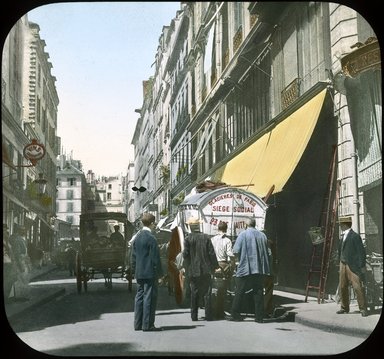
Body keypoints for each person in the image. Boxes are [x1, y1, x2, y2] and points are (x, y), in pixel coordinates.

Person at [227, 218, 270, 323]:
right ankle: (259, 317)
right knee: (258, 291)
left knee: (240, 291)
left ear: (246, 225)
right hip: (259, 268)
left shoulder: (243, 235)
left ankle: (235, 314)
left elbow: (235, 251)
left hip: (245, 267)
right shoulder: (263, 235)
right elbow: (268, 252)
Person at [182, 216, 219, 321]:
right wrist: (215, 266)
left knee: (194, 292)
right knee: (207, 293)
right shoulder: (206, 237)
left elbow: (185, 255)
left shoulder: (188, 238)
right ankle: (208, 315)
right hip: (206, 269)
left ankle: (194, 316)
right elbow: (212, 254)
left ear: (190, 227)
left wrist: (185, 266)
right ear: (198, 226)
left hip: (193, 270)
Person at [132, 213, 163, 331]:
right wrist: (160, 275)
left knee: (139, 297)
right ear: (152, 223)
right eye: (154, 223)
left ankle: (137, 324)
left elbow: (133, 257)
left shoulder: (137, 237)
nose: (155, 225)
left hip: (139, 273)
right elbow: (155, 258)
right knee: (149, 298)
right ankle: (148, 325)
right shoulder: (151, 238)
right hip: (150, 273)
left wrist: (134, 270)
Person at [336, 216, 368, 317]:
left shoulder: (355, 236)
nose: (340, 226)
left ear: (345, 225)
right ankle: (344, 307)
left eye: (341, 224)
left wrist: (361, 266)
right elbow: (340, 250)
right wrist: (339, 262)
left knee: (357, 287)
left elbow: (361, 253)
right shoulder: (343, 237)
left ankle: (363, 309)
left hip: (353, 266)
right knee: (342, 286)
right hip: (343, 264)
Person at [210, 221, 235, 319]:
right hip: (223, 264)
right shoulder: (227, 240)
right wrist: (232, 265)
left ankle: (213, 310)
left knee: (214, 288)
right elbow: (230, 254)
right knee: (223, 290)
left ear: (218, 228)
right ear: (226, 229)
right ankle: (220, 311)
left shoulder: (212, 239)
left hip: (214, 264)